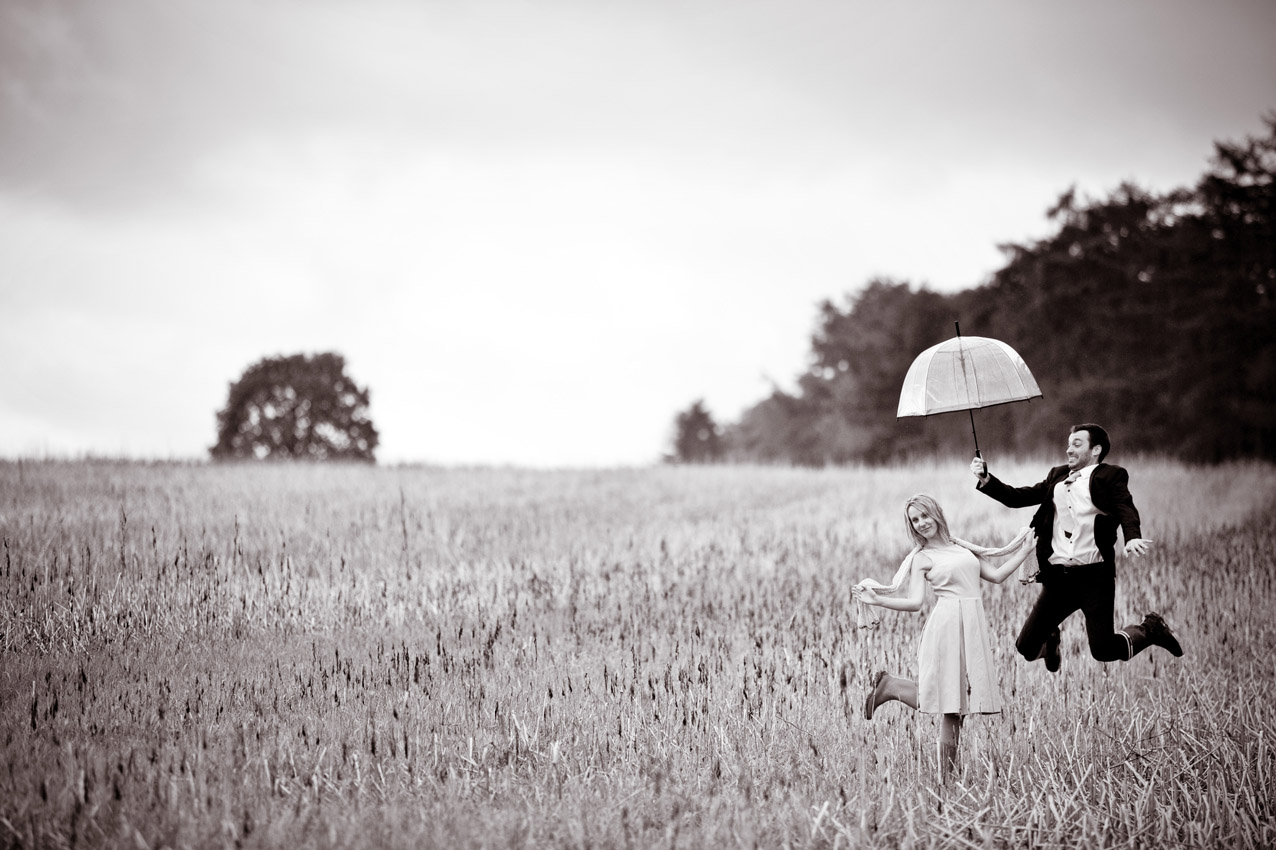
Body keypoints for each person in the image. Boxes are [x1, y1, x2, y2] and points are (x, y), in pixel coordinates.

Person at [970, 423, 1183, 672]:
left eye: (1077, 444)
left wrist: (1132, 536)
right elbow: (1018, 497)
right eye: (1069, 443)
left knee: (1103, 650)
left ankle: (1150, 629)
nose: (1069, 449)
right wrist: (986, 478)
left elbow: (1125, 508)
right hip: (1058, 579)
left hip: (1095, 578)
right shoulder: (1057, 476)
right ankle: (1051, 640)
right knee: (1026, 647)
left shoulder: (1110, 476)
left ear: (1096, 450)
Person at [854, 494, 1036, 781]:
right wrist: (878, 600)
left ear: (937, 513)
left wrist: (1025, 552)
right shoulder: (923, 558)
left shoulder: (962, 547)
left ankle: (893, 687)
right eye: (915, 520)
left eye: (925, 515)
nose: (922, 523)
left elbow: (998, 575)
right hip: (947, 626)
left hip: (972, 624)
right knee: (951, 702)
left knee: (959, 703)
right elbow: (914, 602)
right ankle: (946, 779)